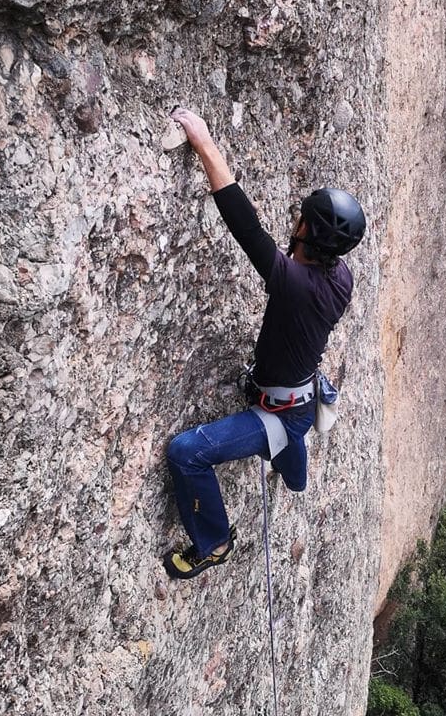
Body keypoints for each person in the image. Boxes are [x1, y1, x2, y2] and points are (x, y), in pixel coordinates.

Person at [162, 108, 366, 580]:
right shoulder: (341, 279)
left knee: (185, 453)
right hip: (298, 394)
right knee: (292, 447)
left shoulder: (292, 282)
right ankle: (294, 478)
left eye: (300, 218)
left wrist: (204, 143)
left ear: (304, 230)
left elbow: (245, 226)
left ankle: (213, 543)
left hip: (278, 409)